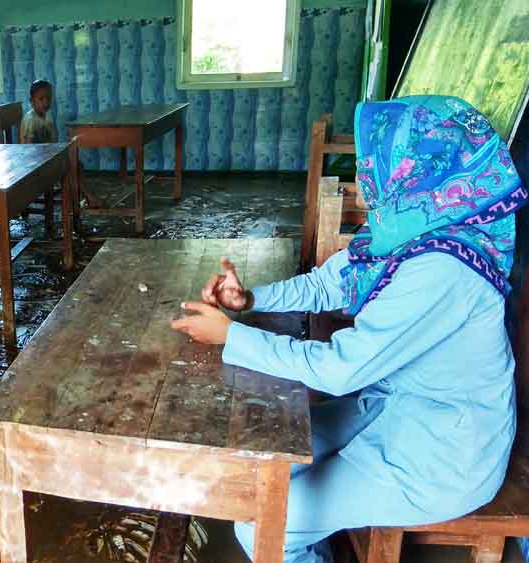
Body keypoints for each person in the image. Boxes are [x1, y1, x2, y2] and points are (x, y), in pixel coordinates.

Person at [170, 96, 525, 563]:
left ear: (413, 173)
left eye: (373, 166)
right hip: (391, 406)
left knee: (263, 524)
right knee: (260, 461)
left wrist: (232, 336)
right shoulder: (412, 230)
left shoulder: (443, 268)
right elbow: (327, 282)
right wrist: (251, 299)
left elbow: (341, 369)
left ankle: (302, 542)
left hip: (441, 455)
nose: (361, 181)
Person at [20, 79, 56, 144]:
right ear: (32, 101)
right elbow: (28, 144)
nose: (46, 103)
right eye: (41, 99)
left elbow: (52, 136)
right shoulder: (30, 119)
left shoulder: (48, 113)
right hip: (32, 151)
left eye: (48, 98)